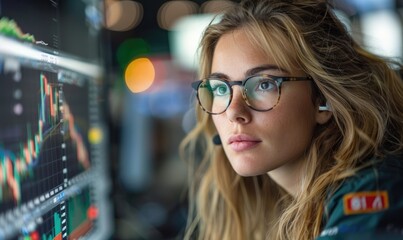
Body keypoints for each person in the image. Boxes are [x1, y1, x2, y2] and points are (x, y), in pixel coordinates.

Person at [179, 0, 403, 239]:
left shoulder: (376, 188)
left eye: (264, 84)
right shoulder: (276, 205)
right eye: (221, 89)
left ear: (322, 98)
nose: (234, 112)